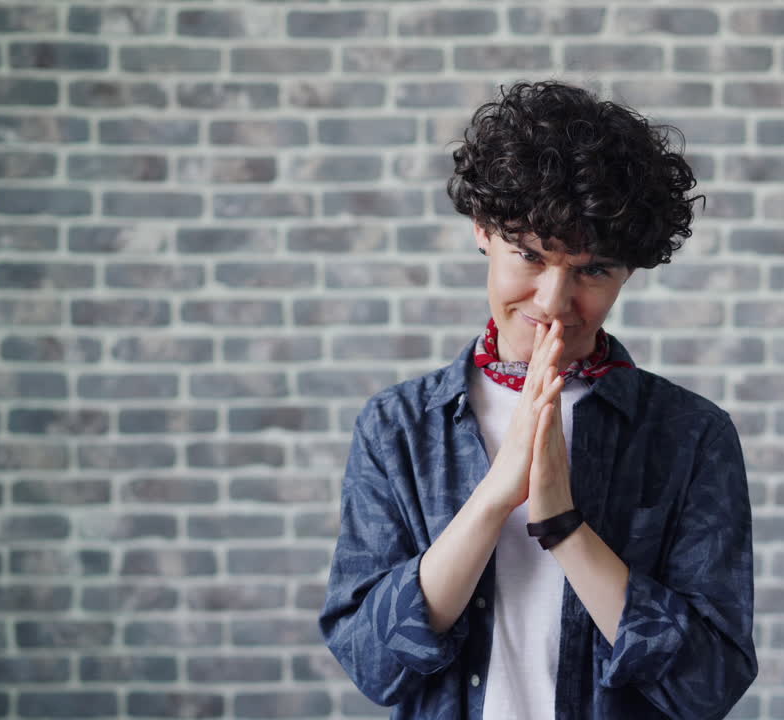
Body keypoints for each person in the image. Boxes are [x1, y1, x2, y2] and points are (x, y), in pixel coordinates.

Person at [319, 80, 757, 719]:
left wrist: (564, 526)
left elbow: (708, 685)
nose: (553, 302)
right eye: (528, 255)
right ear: (481, 230)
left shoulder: (690, 435)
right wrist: (496, 497)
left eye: (593, 269)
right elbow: (372, 663)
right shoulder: (399, 427)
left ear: (629, 272)